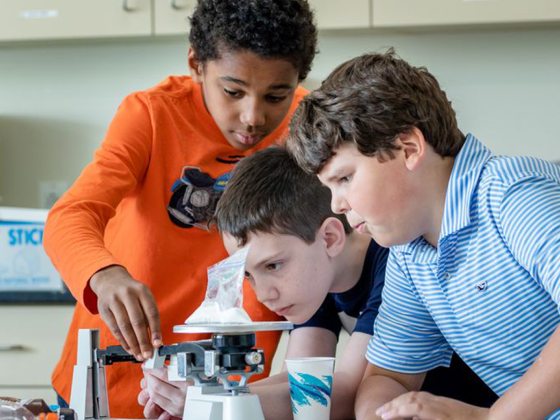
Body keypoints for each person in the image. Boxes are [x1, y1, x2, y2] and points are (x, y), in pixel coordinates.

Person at [43, 0, 318, 417]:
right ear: (196, 63)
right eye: (233, 91)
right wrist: (105, 275)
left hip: (231, 387)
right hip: (120, 379)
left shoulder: (306, 124)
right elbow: (71, 215)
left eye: (276, 95)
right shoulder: (152, 115)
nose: (253, 117)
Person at [286, 49, 560, 420]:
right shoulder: (410, 251)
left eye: (346, 178)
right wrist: (384, 415)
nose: (337, 205)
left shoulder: (511, 192)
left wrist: (489, 419)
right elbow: (389, 376)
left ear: (409, 148)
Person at [139, 146, 497, 420]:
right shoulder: (314, 275)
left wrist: (216, 403)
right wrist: (199, 394)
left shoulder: (392, 262)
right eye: (248, 275)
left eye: (273, 265)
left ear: (328, 238)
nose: (264, 294)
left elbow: (342, 392)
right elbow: (296, 378)